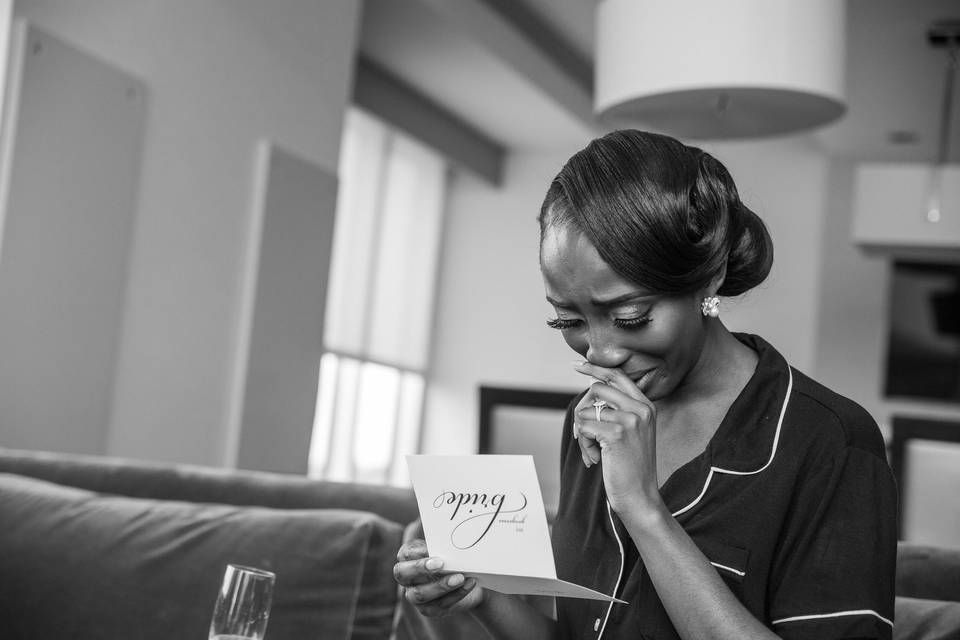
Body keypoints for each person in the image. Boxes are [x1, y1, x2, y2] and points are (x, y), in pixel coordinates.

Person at [393, 129, 897, 639]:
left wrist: (642, 508)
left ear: (710, 278)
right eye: (567, 321)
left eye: (630, 317)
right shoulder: (592, 418)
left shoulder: (829, 441)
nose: (600, 353)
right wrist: (480, 596)